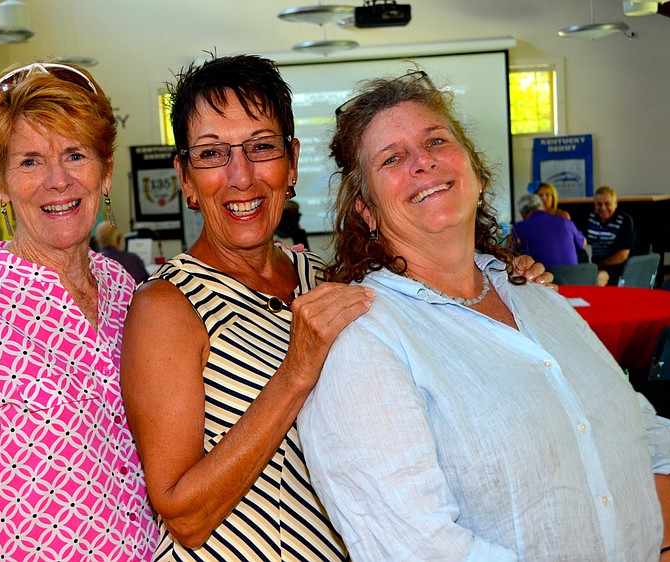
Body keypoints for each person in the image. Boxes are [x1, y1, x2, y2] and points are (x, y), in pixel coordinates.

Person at [119, 55, 552, 562]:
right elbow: (182, 514)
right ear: (186, 177)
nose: (241, 177)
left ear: (292, 161)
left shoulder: (326, 277)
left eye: (261, 147)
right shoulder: (167, 305)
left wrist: (499, 276)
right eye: (213, 154)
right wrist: (295, 372)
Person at [297, 71, 670, 562]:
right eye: (392, 158)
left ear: (477, 174)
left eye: (436, 140)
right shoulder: (365, 337)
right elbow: (418, 548)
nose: (423, 162)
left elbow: (643, 432)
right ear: (367, 211)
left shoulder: (538, 296)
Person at [0, 61, 158, 561]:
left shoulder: (127, 291)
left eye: (75, 155)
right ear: (0, 182)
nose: (57, 181)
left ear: (104, 171)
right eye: (30, 161)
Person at [511, 193, 585, 267]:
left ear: (522, 213)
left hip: (539, 276)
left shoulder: (518, 227)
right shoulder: (565, 222)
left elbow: (511, 253)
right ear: (542, 207)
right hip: (572, 276)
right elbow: (583, 243)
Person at [586, 185, 636, 286]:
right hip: (591, 264)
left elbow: (622, 255)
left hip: (615, 266)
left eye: (607, 204)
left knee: (599, 277)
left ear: (615, 204)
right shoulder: (589, 218)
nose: (603, 208)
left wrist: (599, 266)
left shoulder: (625, 220)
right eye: (599, 204)